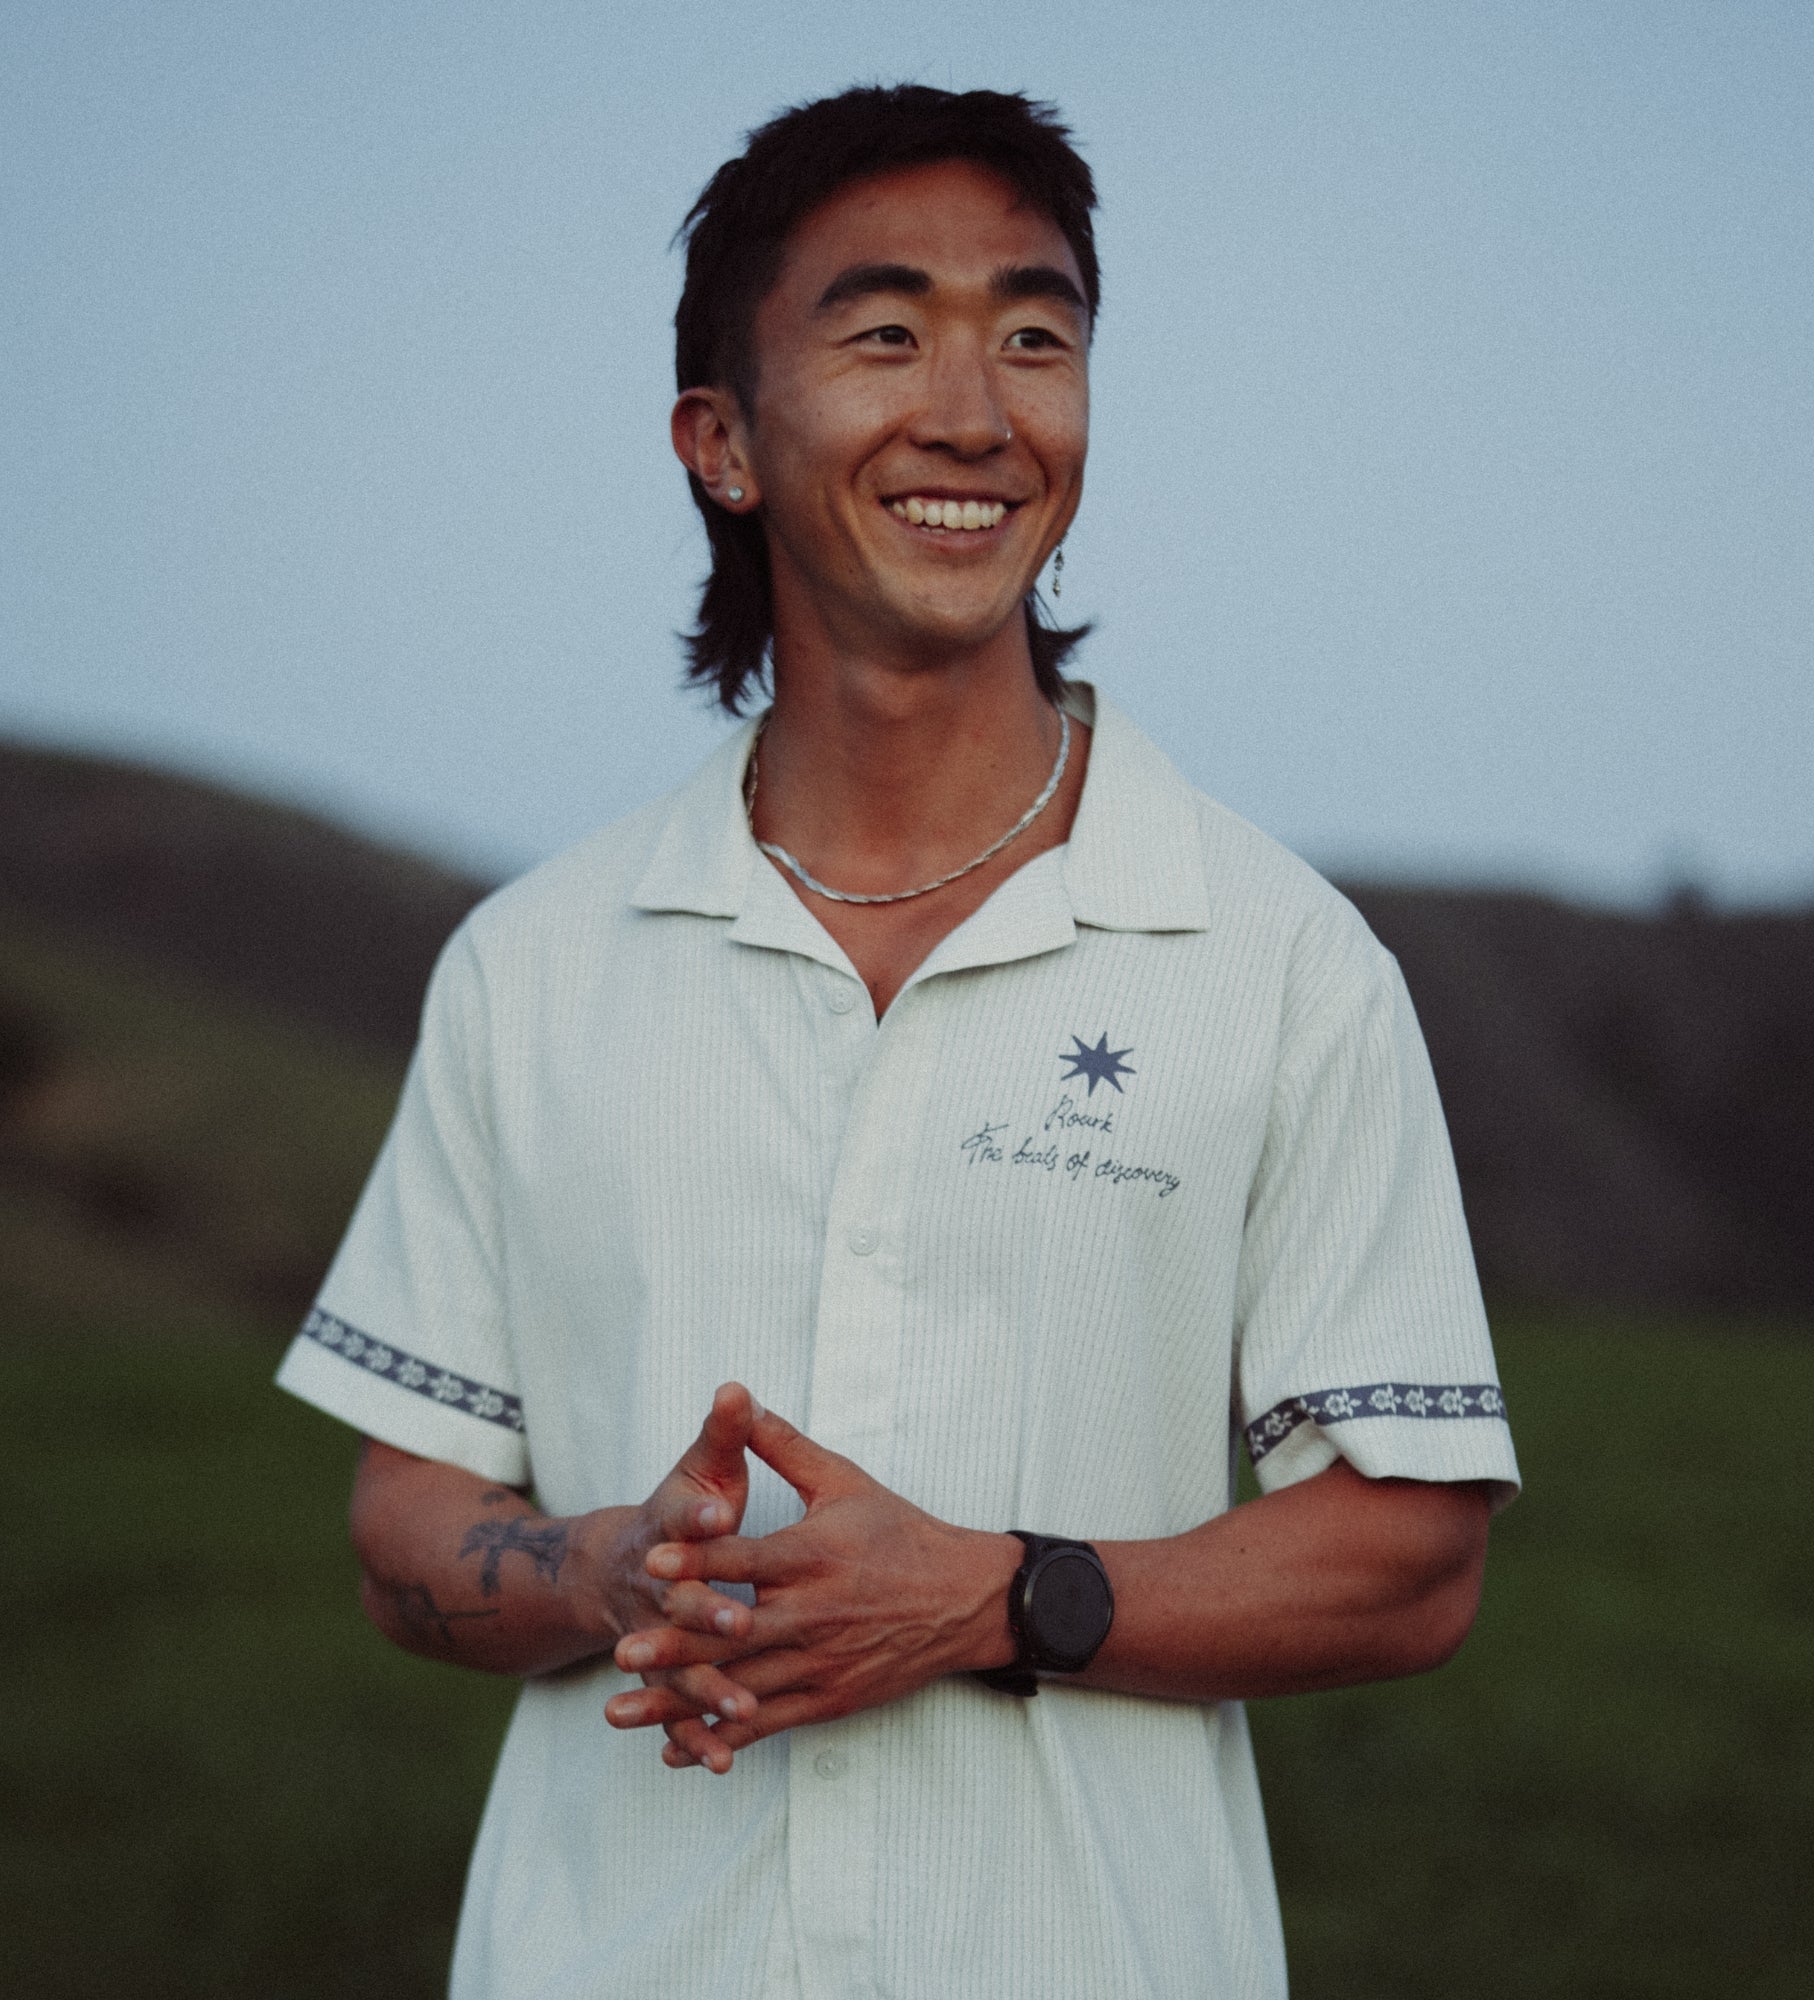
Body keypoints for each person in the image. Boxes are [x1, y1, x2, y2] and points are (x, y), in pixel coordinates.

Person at [276, 83, 1520, 2000]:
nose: (975, 411)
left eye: (1037, 335)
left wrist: (997, 1599)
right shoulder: (535, 965)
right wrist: (615, 1570)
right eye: (884, 334)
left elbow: (1414, 1554)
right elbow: (403, 1521)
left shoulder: (1278, 961)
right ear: (723, 443)